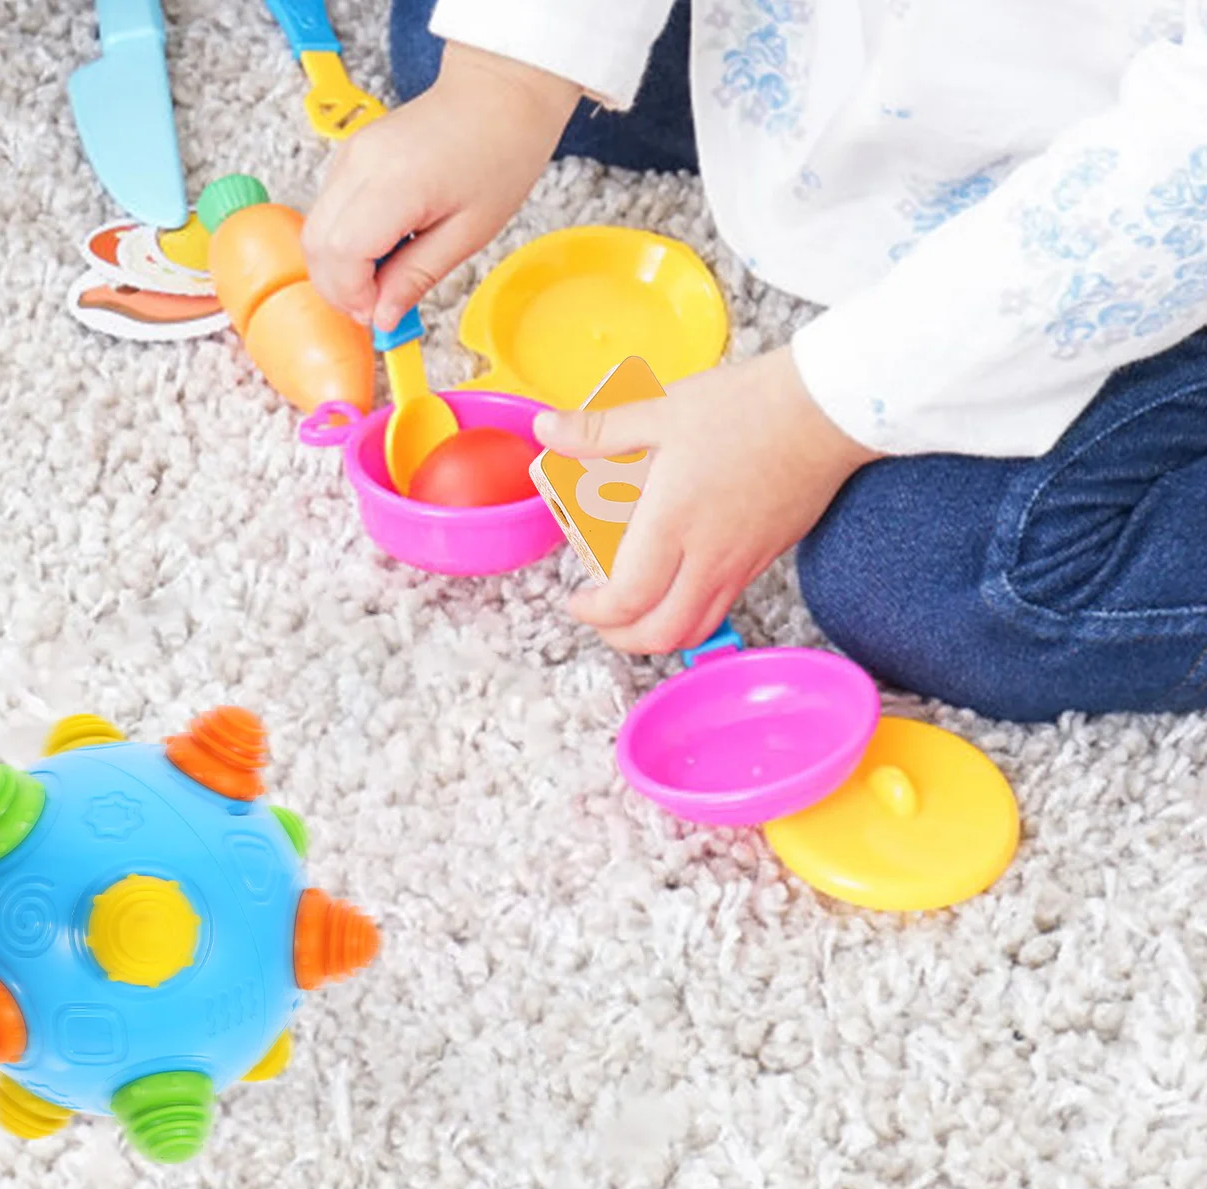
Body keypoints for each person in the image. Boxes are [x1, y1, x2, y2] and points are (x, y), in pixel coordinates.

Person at [303, 2, 1207, 721]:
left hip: (1163, 188)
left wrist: (813, 414)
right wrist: (503, 82)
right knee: (455, 42)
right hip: (912, 50)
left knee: (929, 575)